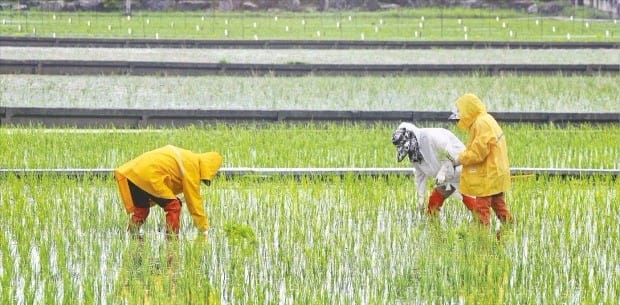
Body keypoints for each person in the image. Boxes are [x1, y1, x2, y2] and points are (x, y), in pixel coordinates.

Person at [114, 144, 223, 239]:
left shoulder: (188, 157)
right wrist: (203, 228)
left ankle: (130, 235)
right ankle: (172, 239)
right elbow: (194, 201)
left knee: (141, 210)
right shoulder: (192, 165)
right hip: (150, 174)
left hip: (134, 174)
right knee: (174, 206)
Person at [448, 93, 513, 229]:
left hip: (488, 175)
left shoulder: (481, 123)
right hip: (496, 173)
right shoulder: (486, 119)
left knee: (481, 210)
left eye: (460, 117)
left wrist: (459, 159)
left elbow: (478, 153)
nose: (458, 121)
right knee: (499, 205)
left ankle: (481, 240)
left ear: (468, 111)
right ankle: (509, 230)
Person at [391, 122, 477, 216]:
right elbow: (420, 177)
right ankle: (434, 225)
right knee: (434, 203)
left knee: (470, 201)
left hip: (461, 171)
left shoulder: (432, 137)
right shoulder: (415, 155)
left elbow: (449, 155)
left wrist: (443, 171)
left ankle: (482, 226)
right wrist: (421, 198)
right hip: (447, 180)